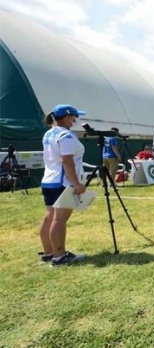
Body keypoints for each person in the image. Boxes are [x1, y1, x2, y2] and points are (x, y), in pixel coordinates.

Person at [39, 104, 88, 266]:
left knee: (49, 217)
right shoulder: (66, 136)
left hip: (49, 180)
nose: (75, 120)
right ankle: (60, 256)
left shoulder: (49, 133)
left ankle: (49, 253)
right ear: (67, 117)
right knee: (59, 219)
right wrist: (77, 184)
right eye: (74, 117)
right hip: (62, 182)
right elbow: (67, 161)